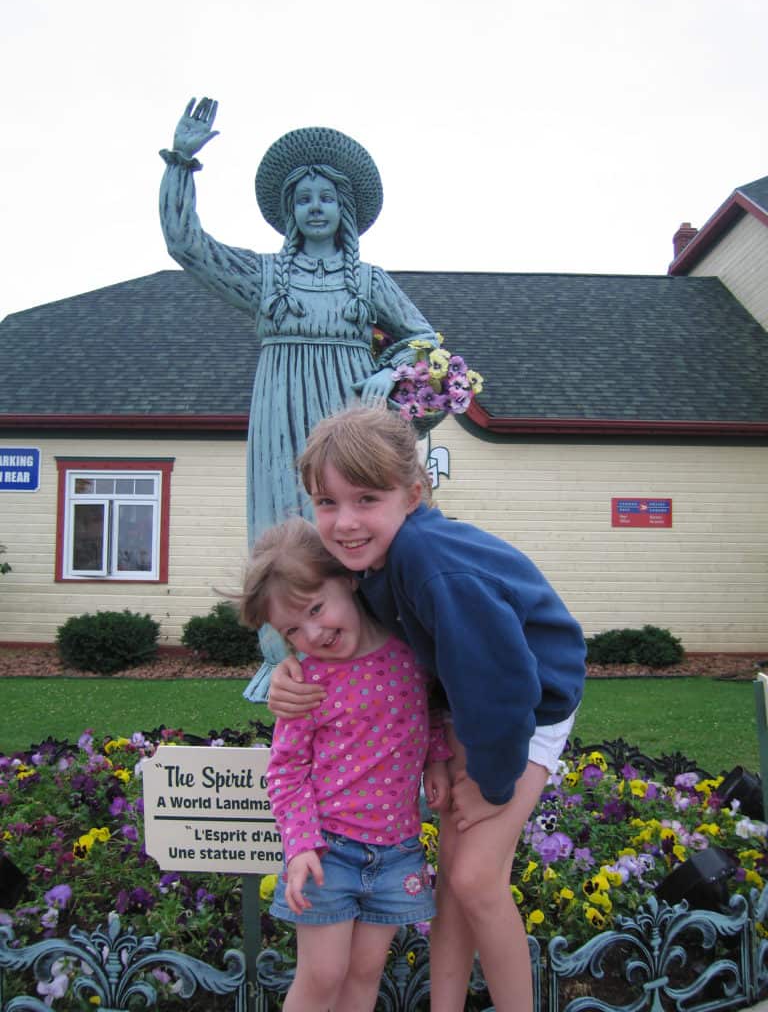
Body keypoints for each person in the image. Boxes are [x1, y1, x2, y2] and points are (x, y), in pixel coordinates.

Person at [267, 404, 587, 1012]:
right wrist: (291, 661)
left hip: (530, 704)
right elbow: (303, 596)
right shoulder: (369, 556)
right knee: (454, 880)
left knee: (474, 878)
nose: (344, 521)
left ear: (413, 494)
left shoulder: (431, 564)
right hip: (470, 700)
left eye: (365, 498)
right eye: (327, 503)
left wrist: (492, 785)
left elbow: (501, 686)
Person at [159, 97, 440, 698]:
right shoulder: (266, 278)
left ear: (346, 210)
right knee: (283, 521)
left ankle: (372, 645)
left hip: (348, 412)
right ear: (289, 211)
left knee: (356, 524)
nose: (316, 207)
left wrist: (389, 373)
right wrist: (181, 162)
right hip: (281, 406)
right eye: (304, 198)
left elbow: (424, 339)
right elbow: (188, 247)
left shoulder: (368, 281)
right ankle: (283, 655)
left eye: (327, 197)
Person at [238, 516, 452, 1012]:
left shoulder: (410, 653)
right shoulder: (305, 683)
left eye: (316, 607)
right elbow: (285, 771)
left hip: (397, 849)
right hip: (327, 853)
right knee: (323, 975)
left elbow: (431, 710)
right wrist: (299, 846)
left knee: (363, 975)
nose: (313, 632)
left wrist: (437, 762)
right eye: (293, 628)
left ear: (347, 579)